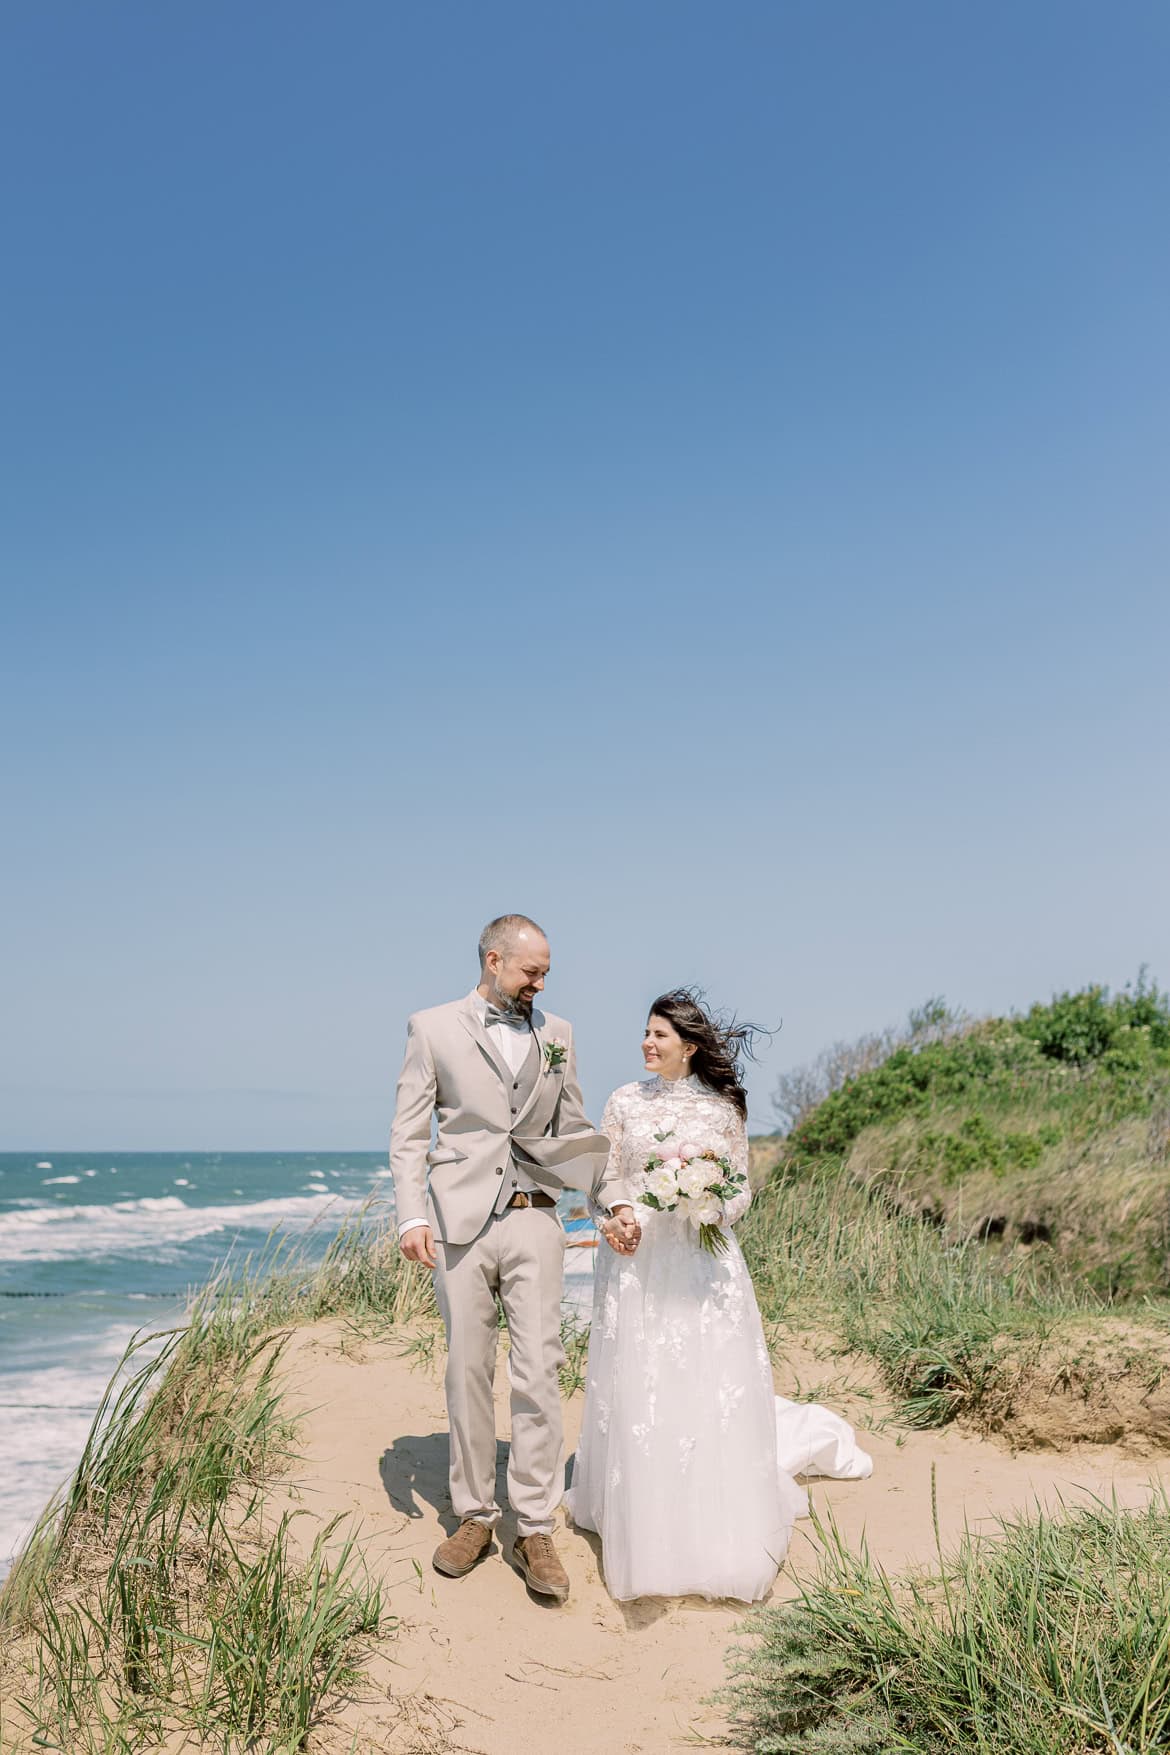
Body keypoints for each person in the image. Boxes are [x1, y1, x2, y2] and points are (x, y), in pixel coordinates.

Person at [566, 989, 872, 1602]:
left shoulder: (724, 1107)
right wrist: (618, 1213)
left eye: (659, 1035)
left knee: (705, 1376)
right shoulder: (624, 1102)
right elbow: (605, 1178)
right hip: (638, 1261)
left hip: (704, 1262)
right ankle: (641, 1506)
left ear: (690, 1046)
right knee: (643, 1374)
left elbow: (741, 1191)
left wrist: (707, 1204)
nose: (646, 1044)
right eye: (646, 1033)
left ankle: (709, 1509)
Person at [390, 914, 640, 1604]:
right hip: (459, 1226)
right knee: (467, 1368)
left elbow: (577, 1130)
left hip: (535, 1218)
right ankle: (474, 1514)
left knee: (539, 1367)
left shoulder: (558, 1036)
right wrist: (412, 1214)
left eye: (546, 973)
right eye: (531, 970)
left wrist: (610, 1200)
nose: (540, 982)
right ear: (494, 960)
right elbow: (410, 1133)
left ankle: (533, 1525)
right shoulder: (431, 1027)